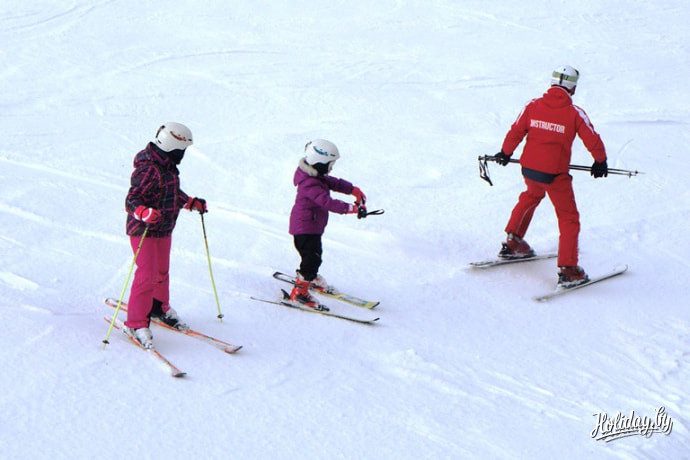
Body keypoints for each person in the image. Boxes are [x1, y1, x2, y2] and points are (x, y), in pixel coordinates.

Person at [494, 65, 608, 288]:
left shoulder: (533, 105)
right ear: (573, 88)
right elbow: (591, 138)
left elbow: (516, 130)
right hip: (555, 175)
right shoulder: (574, 113)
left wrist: (505, 153)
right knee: (568, 218)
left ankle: (513, 242)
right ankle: (569, 269)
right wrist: (600, 161)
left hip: (530, 169)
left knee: (531, 196)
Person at [122, 122, 208, 349]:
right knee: (147, 275)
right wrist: (143, 212)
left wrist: (190, 202)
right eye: (182, 150)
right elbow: (132, 199)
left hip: (164, 228)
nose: (183, 155)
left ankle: (158, 307)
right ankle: (136, 323)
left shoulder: (166, 166)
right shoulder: (148, 169)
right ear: (172, 147)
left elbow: (171, 192)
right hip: (144, 230)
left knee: (161, 272)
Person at [288, 139, 366, 309]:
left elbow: (333, 183)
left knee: (314, 256)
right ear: (320, 163)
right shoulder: (309, 184)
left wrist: (353, 190)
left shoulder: (316, 176)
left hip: (311, 227)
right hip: (305, 229)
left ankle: (311, 278)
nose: (332, 168)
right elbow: (327, 202)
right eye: (330, 164)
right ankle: (300, 293)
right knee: (311, 260)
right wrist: (352, 208)